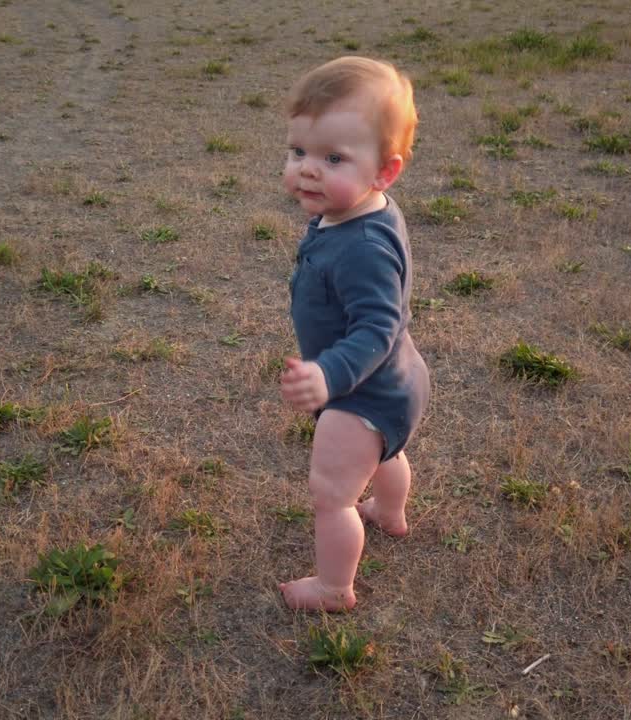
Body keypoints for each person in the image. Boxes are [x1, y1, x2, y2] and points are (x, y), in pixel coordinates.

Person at [278, 56, 430, 611]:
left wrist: (329, 373)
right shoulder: (359, 211)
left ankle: (334, 587)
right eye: (300, 152)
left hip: (362, 387)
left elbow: (377, 324)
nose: (308, 169)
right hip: (397, 379)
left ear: (384, 173)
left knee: (332, 494)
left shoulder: (363, 246)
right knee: (385, 452)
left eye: (333, 157)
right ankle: (390, 513)